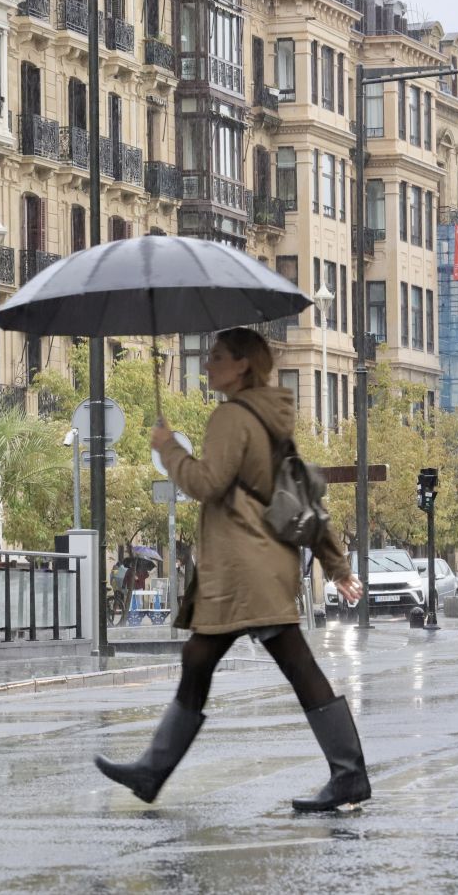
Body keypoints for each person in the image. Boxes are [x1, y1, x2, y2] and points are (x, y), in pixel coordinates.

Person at [93, 327, 369, 812]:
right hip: (262, 562)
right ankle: (151, 772)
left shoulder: (231, 418)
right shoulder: (270, 417)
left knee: (290, 665)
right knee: (200, 658)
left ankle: (348, 775)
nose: (207, 365)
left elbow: (206, 483)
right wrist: (336, 564)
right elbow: (299, 490)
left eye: (216, 357)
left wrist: (168, 449)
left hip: (245, 567)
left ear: (242, 365)